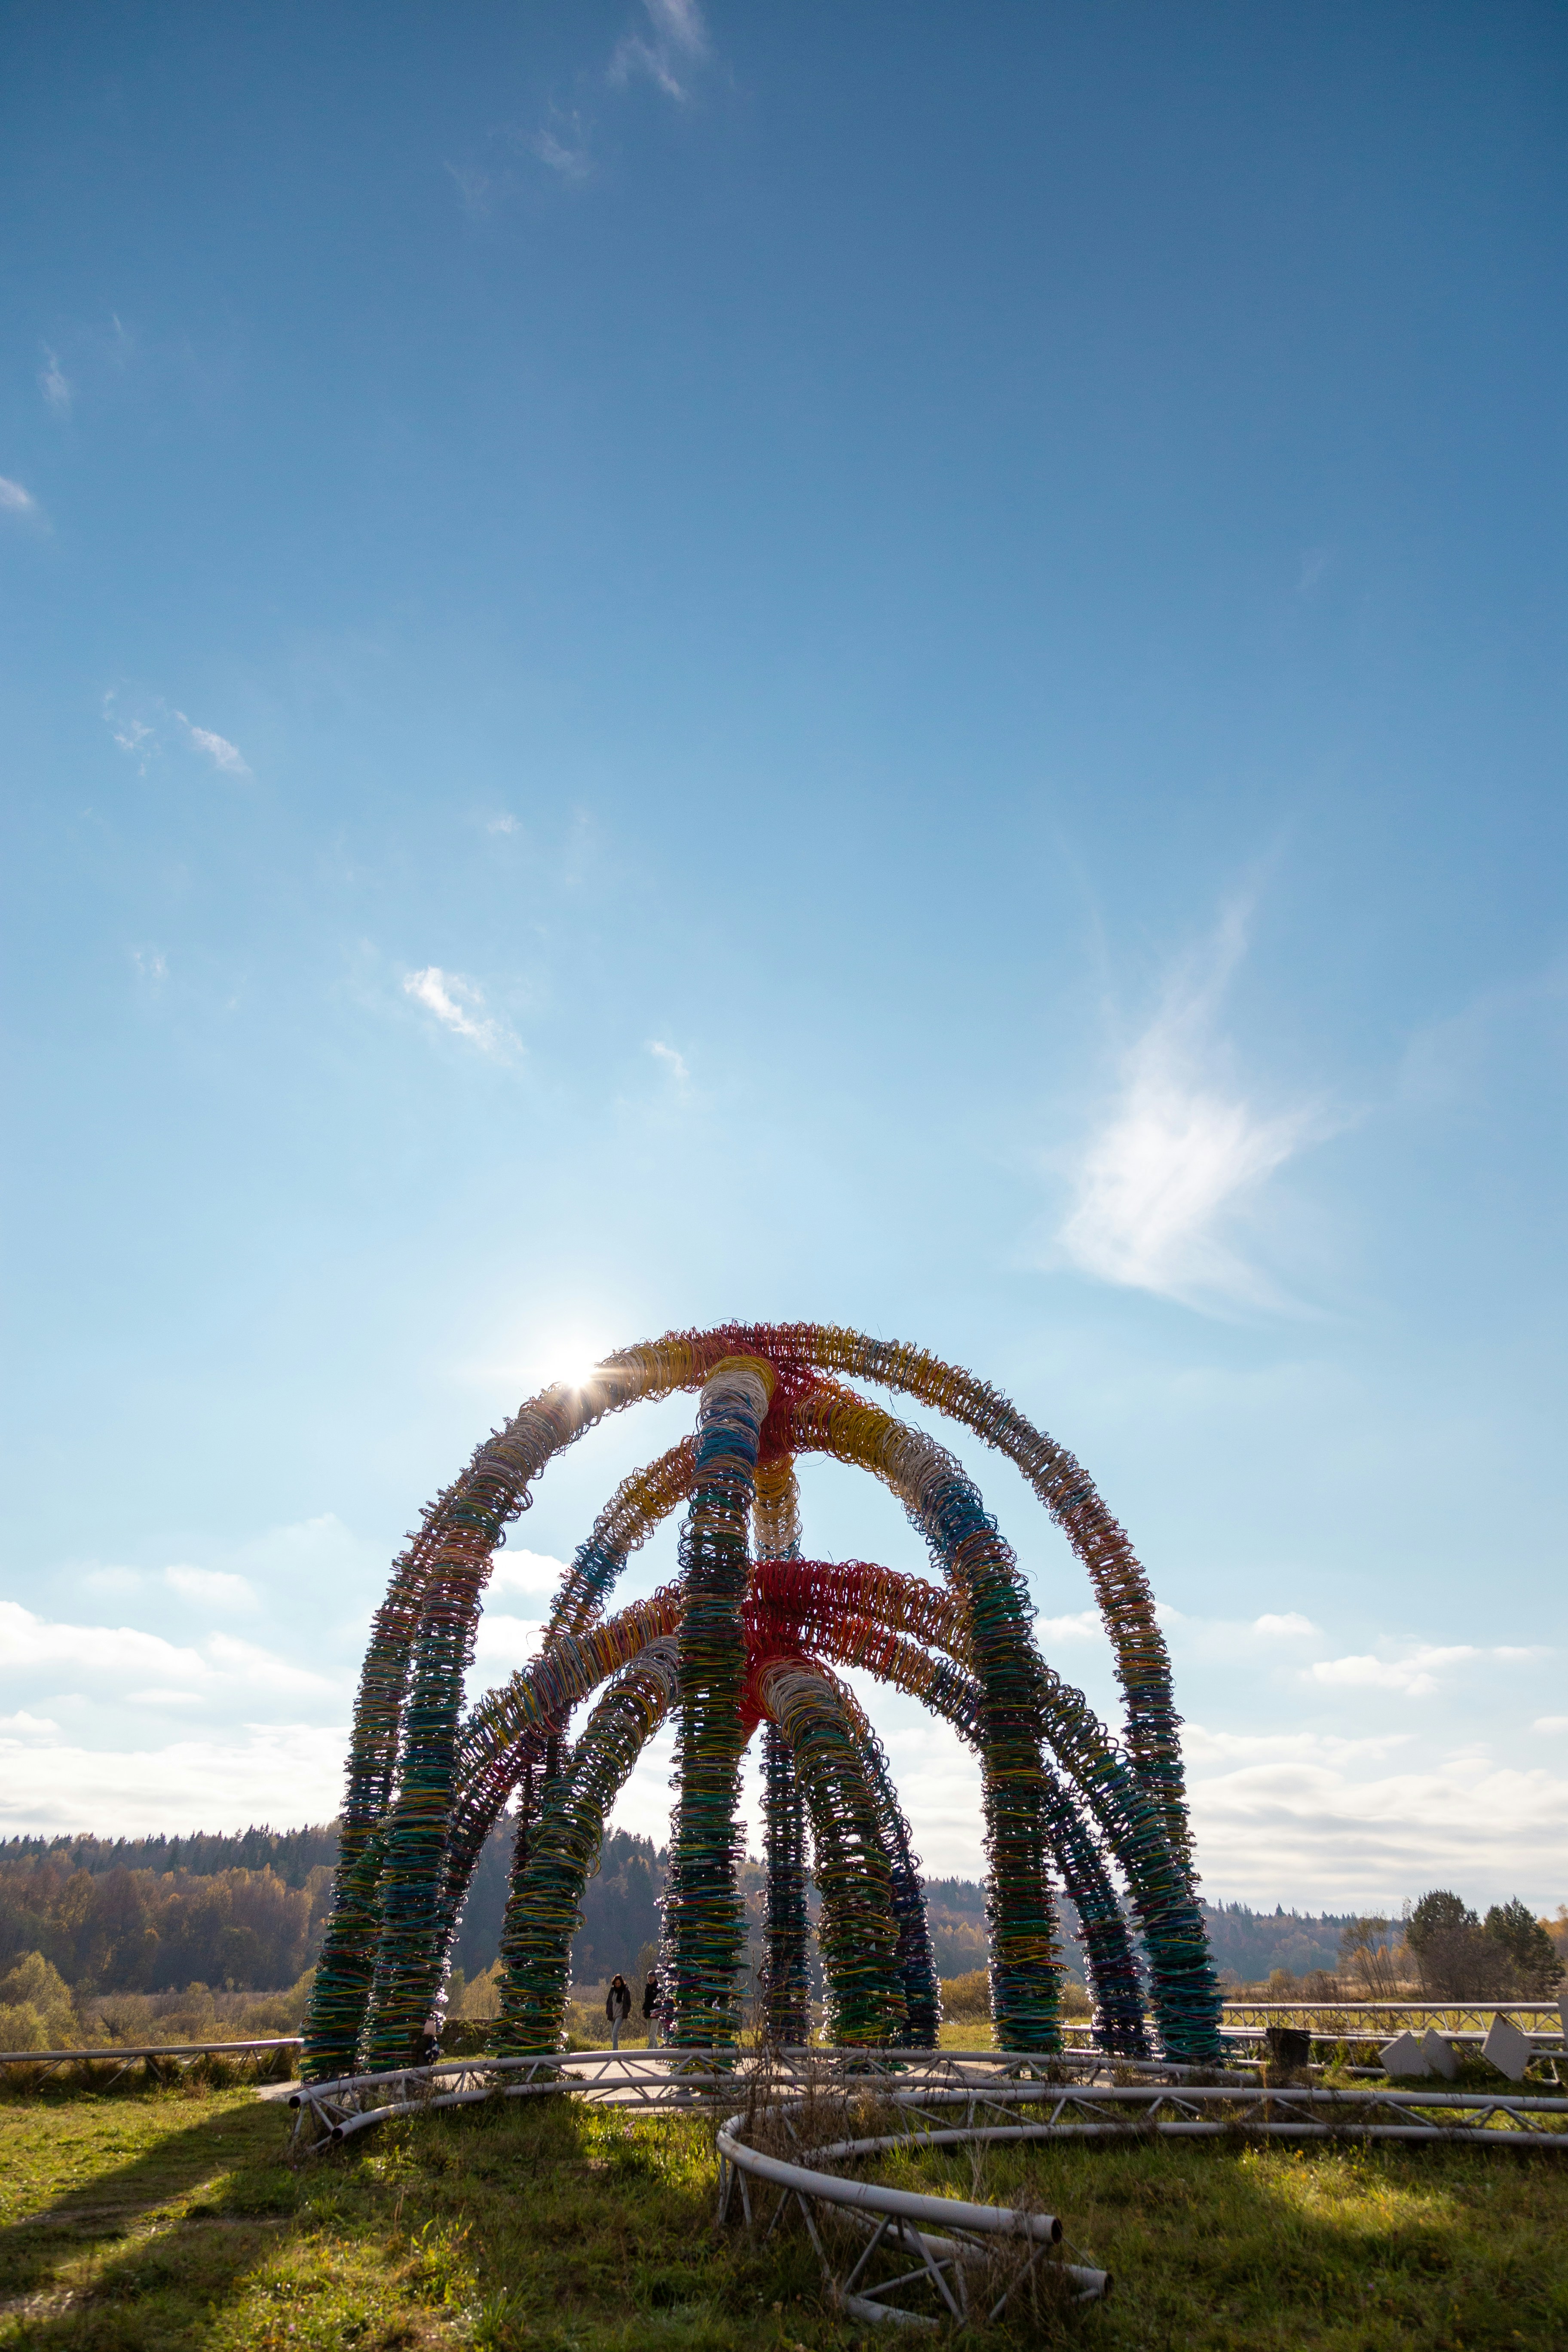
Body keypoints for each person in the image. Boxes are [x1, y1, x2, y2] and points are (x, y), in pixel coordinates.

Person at [606, 1973, 632, 2050]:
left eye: (619, 1983)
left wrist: (626, 2012)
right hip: (612, 2015)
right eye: (616, 1983)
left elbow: (628, 2003)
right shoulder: (612, 1991)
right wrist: (607, 2011)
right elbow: (609, 2001)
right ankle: (616, 2049)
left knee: (615, 2033)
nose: (617, 1985)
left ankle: (614, 2051)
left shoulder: (626, 1991)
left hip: (620, 2015)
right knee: (613, 2034)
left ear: (622, 1983)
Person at [642, 1969, 661, 2048]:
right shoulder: (647, 1988)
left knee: (652, 2033)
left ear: (655, 1978)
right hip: (648, 2013)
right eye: (649, 1978)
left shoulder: (659, 1988)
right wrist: (643, 2008)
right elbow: (646, 2000)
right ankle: (659, 2053)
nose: (650, 1979)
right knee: (651, 2035)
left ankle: (649, 2052)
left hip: (656, 2014)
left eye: (651, 1978)